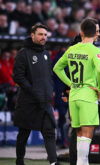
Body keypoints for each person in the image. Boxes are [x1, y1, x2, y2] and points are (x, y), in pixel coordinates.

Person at [53, 18, 100, 165]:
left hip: (74, 96)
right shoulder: (95, 50)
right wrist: (99, 89)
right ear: (95, 33)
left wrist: (71, 83)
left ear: (81, 32)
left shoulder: (72, 48)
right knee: (87, 134)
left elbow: (57, 68)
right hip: (87, 95)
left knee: (79, 134)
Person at [13, 24, 59, 165]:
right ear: (32, 35)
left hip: (44, 101)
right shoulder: (23, 53)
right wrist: (33, 90)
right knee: (24, 133)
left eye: (45, 35)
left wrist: (49, 89)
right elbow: (18, 77)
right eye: (40, 34)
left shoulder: (46, 54)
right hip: (28, 101)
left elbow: (48, 75)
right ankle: (19, 160)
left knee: (49, 131)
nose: (43, 37)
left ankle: (53, 162)